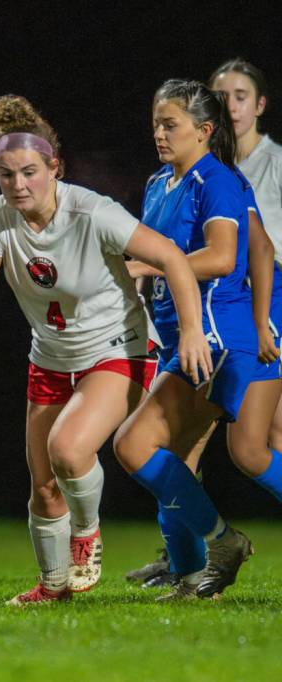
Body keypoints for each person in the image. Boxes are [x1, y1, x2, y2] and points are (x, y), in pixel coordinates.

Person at [0, 95, 209, 606]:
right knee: (43, 486)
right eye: (6, 175)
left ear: (54, 167)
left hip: (119, 351)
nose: (18, 184)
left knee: (68, 450)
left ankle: (87, 533)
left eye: (29, 172)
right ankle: (53, 588)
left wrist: (193, 331)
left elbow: (173, 259)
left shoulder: (93, 211)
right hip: (50, 359)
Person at [126, 60, 282, 589]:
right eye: (155, 123)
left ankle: (213, 548)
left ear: (204, 130)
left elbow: (225, 256)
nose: (159, 133)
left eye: (170, 124)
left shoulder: (217, 180)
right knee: (177, 454)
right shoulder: (157, 184)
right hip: (182, 336)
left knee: (244, 449)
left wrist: (263, 323)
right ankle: (193, 564)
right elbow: (146, 259)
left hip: (218, 336)